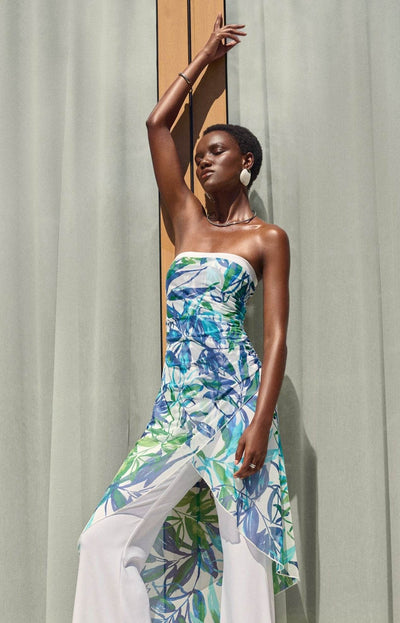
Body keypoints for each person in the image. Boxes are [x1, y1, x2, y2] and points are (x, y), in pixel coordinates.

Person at [72, 14, 299, 623]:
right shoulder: (188, 223)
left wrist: (260, 422)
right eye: (198, 155)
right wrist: (202, 58)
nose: (203, 162)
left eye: (216, 152)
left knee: (244, 553)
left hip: (237, 406)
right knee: (103, 539)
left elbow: (276, 337)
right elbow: (156, 125)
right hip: (177, 409)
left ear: (246, 160)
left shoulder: (267, 238)